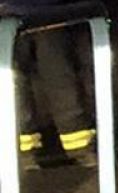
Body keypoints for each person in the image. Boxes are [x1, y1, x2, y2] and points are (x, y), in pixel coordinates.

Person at [8, 4, 96, 168]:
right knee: (55, 75)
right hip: (46, 11)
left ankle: (26, 151)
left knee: (51, 75)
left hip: (42, 13)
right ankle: (80, 148)